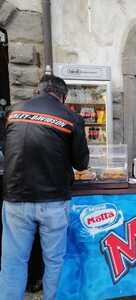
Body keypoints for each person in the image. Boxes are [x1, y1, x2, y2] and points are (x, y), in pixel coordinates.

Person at [0, 74, 89, 300]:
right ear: (63, 96)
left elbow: (6, 148)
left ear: (37, 91)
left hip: (15, 198)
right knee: (54, 262)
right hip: (53, 201)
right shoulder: (71, 118)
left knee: (13, 262)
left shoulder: (13, 112)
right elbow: (81, 163)